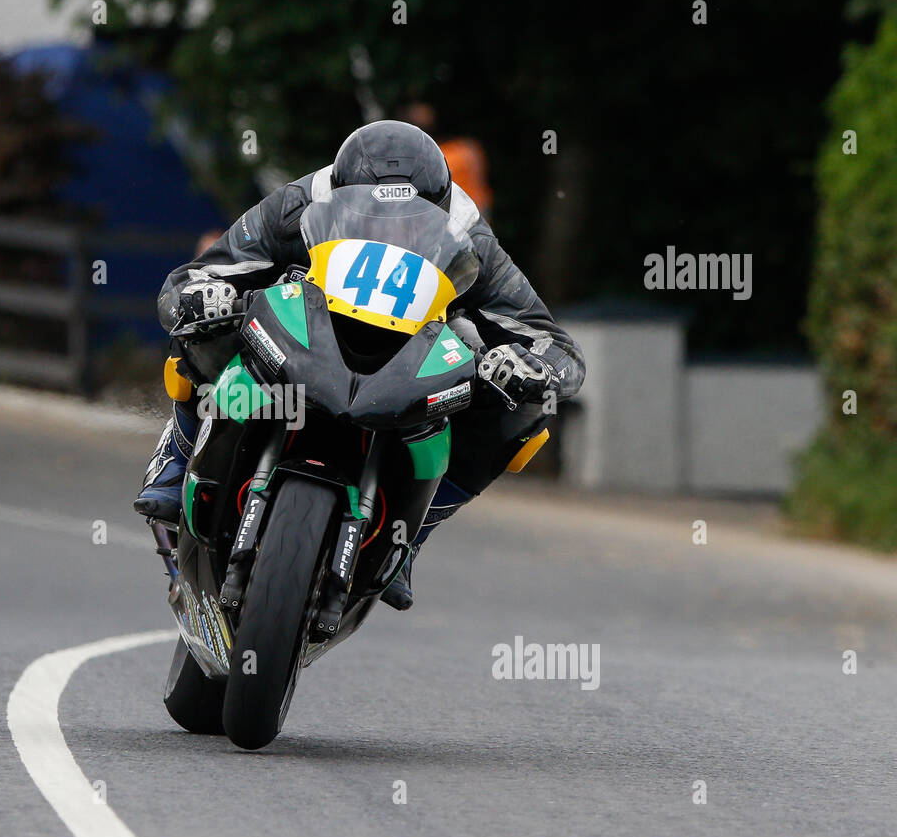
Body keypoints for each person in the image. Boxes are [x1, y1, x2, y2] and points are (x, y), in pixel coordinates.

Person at [134, 120, 585, 608]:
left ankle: (414, 531)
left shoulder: (471, 237)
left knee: (527, 408)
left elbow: (553, 344)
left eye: (410, 222)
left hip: (410, 357)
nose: (390, 231)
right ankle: (177, 459)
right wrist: (205, 293)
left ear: (438, 210)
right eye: (370, 215)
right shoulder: (296, 203)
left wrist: (531, 366)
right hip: (308, 326)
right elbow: (198, 274)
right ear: (341, 193)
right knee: (208, 319)